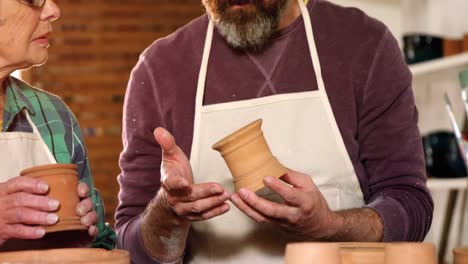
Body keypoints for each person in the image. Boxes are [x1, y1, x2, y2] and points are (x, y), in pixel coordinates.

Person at [116, 0, 434, 262]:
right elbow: (129, 246)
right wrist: (167, 215)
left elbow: (410, 204)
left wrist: (330, 226)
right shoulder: (159, 70)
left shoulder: (364, 44)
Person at [0, 0, 115, 250]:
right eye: (33, 0)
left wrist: (76, 244)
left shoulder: (54, 117)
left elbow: (103, 246)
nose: (53, 10)